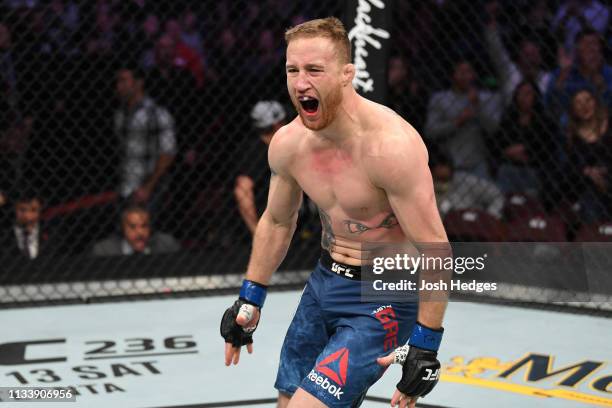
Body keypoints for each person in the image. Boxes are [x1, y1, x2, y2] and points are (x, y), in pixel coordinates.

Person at [220, 18, 450, 408]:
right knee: (288, 401)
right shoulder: (289, 144)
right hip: (324, 283)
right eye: (292, 70)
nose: (300, 83)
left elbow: (435, 249)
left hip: (386, 293)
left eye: (314, 70)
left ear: (347, 75)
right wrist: (249, 297)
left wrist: (426, 345)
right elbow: (277, 221)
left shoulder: (390, 146)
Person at [424, 59, 502, 179]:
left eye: (469, 72)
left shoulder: (484, 98)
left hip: (478, 163)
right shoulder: (441, 99)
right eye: (462, 72)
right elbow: (430, 131)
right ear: (453, 74)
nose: (466, 76)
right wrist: (459, 121)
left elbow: (494, 128)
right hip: (450, 164)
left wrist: (478, 106)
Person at [114, 66, 177, 214]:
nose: (119, 86)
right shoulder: (119, 114)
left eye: (124, 81)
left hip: (149, 187)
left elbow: (167, 153)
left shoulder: (156, 114)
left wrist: (149, 187)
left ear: (138, 83)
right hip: (125, 186)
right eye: (117, 81)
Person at [493, 81, 560, 196]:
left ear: (535, 96)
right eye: (521, 93)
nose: (524, 97)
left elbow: (549, 147)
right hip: (509, 167)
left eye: (528, 93)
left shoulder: (545, 120)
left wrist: (525, 149)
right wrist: (508, 152)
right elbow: (497, 143)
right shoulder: (508, 118)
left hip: (535, 169)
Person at [234, 100, 287, 235]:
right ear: (277, 124)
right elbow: (242, 190)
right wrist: (256, 232)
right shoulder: (256, 151)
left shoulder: (273, 148)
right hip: (255, 232)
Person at [563, 89, 612, 222]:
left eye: (588, 100)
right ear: (573, 108)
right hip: (587, 185)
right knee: (591, 204)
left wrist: (604, 171)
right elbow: (569, 166)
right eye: (578, 103)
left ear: (595, 102)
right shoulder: (571, 136)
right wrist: (588, 171)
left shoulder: (610, 125)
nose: (584, 106)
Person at [430, 147, 504, 219]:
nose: (441, 169)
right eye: (438, 166)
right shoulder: (428, 188)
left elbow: (496, 195)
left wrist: (489, 217)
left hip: (474, 223)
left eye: (443, 165)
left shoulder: (465, 181)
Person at [92, 205, 180, 256]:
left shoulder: (166, 245)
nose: (140, 232)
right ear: (123, 229)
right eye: (132, 227)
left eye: (144, 226)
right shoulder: (105, 251)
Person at [1, 190, 56, 260]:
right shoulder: (4, 231)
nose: (27, 215)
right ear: (14, 210)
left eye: (33, 210)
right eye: (22, 210)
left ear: (40, 210)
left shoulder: (51, 230)